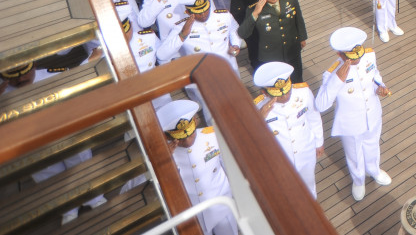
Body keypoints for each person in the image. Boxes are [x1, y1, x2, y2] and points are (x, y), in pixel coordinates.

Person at [314, 27, 392, 202]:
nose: (357, 60)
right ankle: (358, 180)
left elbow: (374, 75)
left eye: (359, 53)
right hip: (350, 122)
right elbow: (320, 105)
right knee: (354, 154)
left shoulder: (369, 56)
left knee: (373, 144)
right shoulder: (332, 73)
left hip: (372, 113)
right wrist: (337, 80)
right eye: (352, 57)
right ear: (340, 55)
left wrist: (379, 86)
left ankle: (374, 170)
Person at [156, 100, 237, 235]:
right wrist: (165, 162)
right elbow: (161, 188)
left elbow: (230, 167)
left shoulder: (212, 135)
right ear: (168, 136)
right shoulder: (163, 154)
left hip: (221, 205)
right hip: (191, 214)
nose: (187, 141)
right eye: (180, 138)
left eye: (190, 133)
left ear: (195, 121)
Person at [253, 62, 324, 198]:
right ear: (264, 92)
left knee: (309, 184)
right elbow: (251, 141)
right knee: (286, 191)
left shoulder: (303, 93)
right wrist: (258, 121)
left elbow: (313, 117)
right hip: (280, 160)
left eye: (287, 91)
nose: (285, 96)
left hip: (306, 150)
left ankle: (313, 209)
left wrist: (319, 141)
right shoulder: (257, 108)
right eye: (278, 95)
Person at [238, 0, 307, 81]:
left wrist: (302, 37)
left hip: (292, 49)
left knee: (297, 79)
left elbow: (298, 19)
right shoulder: (253, 10)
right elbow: (243, 33)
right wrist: (256, 13)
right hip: (271, 55)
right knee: (278, 83)